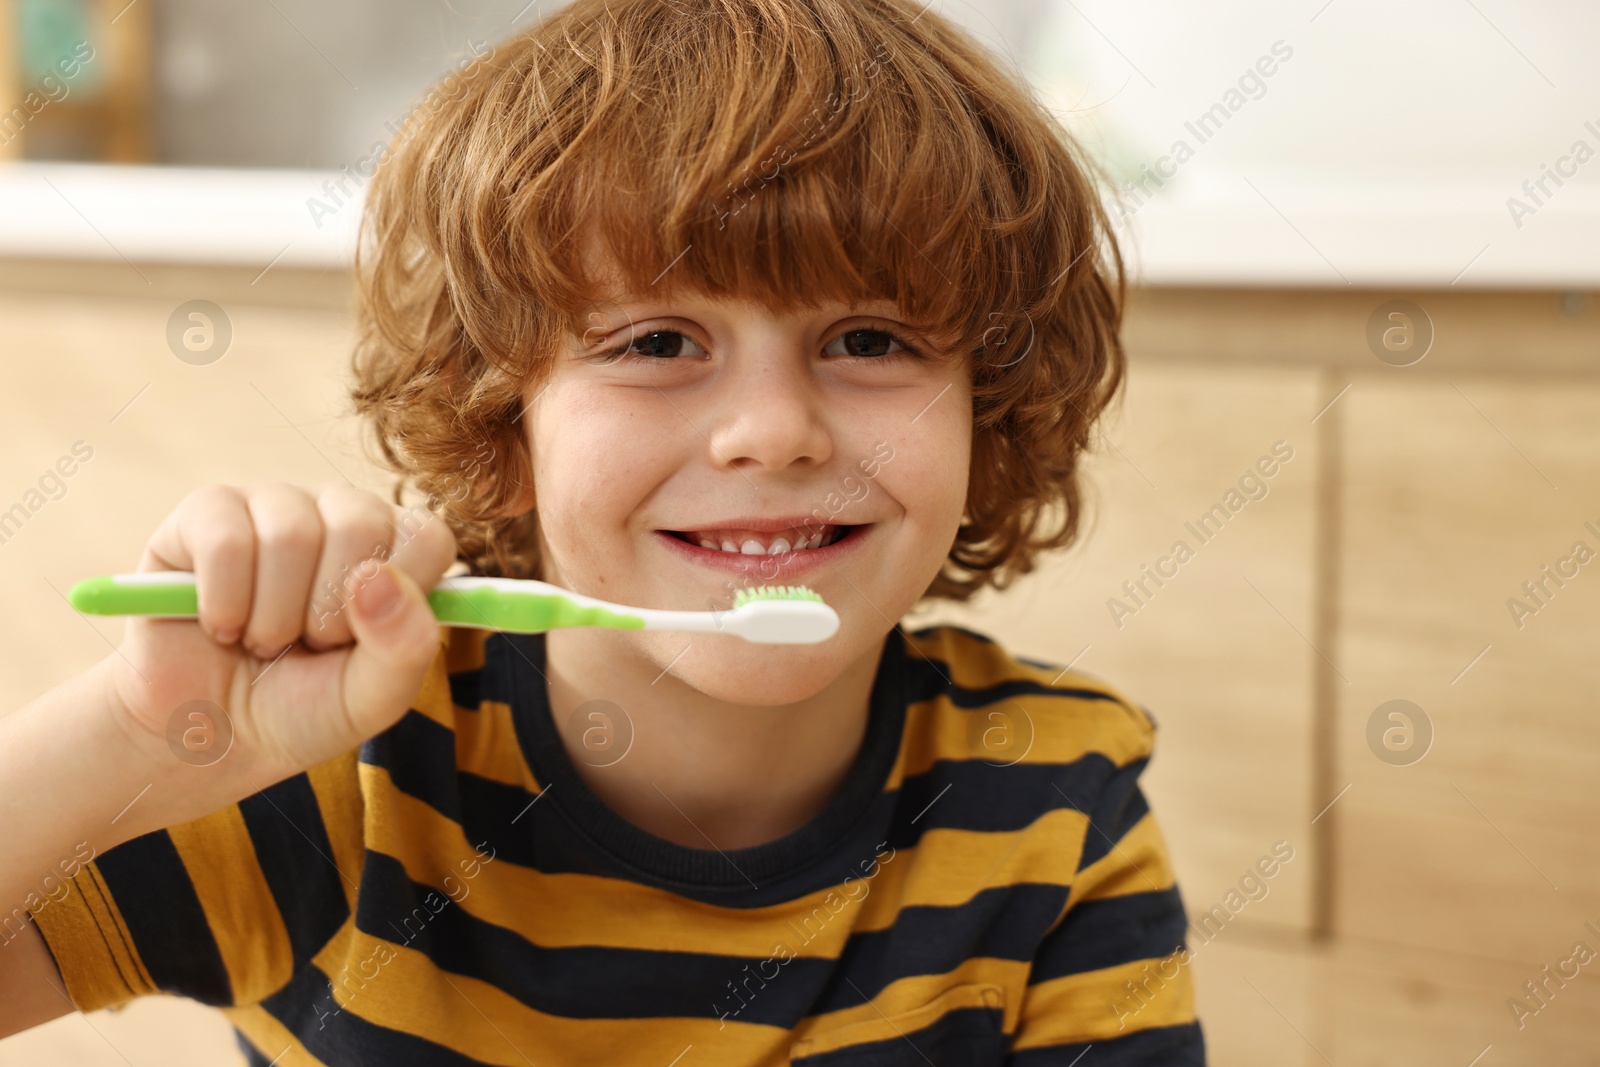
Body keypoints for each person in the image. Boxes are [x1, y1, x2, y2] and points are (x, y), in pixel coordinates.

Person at [0, 0, 1204, 1061]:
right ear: (503, 424)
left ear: (986, 415)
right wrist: (131, 736)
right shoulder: (346, 773)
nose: (773, 432)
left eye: (870, 340)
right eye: (658, 343)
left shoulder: (1049, 802)